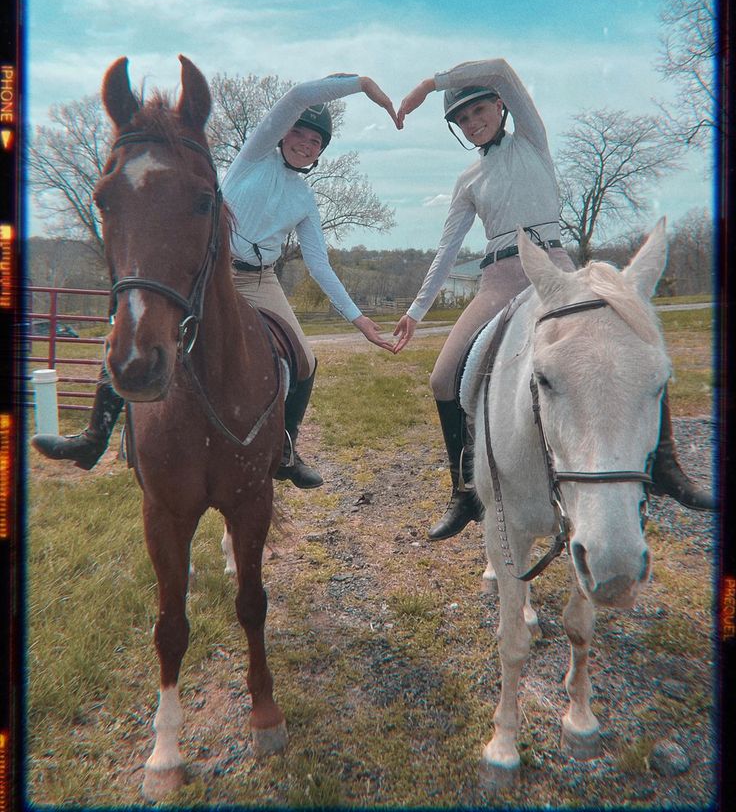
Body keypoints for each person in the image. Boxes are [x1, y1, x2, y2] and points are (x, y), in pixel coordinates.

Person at [393, 58, 713, 541]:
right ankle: (464, 489)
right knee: (443, 378)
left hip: (556, 273)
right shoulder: (467, 182)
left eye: (479, 110)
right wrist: (416, 311)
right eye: (462, 118)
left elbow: (499, 68)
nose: (473, 122)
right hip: (498, 281)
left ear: (500, 106)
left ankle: (667, 464)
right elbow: (447, 250)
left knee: (633, 341)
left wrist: (428, 85)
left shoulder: (532, 141)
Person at [32, 72, 398, 487]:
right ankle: (94, 437)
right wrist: (363, 84)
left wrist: (359, 321)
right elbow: (298, 95)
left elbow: (319, 264)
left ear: (320, 152)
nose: (305, 144)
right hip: (214, 271)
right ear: (282, 135)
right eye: (299, 133)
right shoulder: (253, 157)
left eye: (315, 142)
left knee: (306, 360)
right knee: (139, 326)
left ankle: (285, 449)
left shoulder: (305, 197)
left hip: (262, 281)